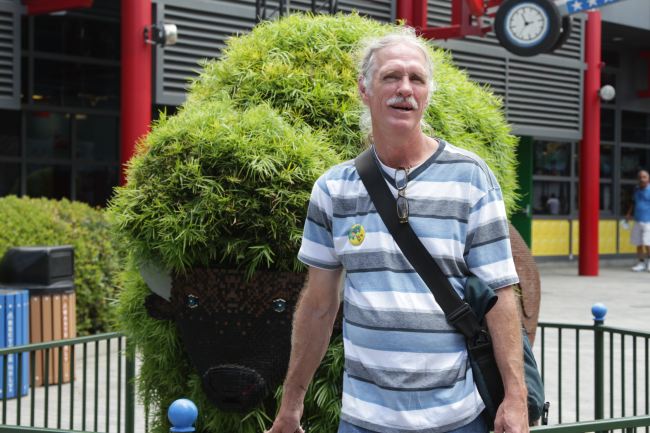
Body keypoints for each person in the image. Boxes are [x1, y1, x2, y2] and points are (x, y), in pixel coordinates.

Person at [266, 30, 528, 433]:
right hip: (364, 420)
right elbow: (318, 305)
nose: (405, 88)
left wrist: (515, 398)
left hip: (457, 418)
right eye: (391, 76)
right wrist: (291, 404)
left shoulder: (471, 177)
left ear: (427, 94)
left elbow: (501, 295)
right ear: (364, 89)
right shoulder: (333, 189)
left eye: (416, 78)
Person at [626, 169, 650, 272]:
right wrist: (629, 213)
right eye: (640, 177)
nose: (642, 179)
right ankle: (641, 263)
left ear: (648, 179)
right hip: (637, 220)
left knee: (648, 243)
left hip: (648, 221)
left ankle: (649, 263)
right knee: (638, 243)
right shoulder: (636, 189)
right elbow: (633, 202)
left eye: (644, 177)